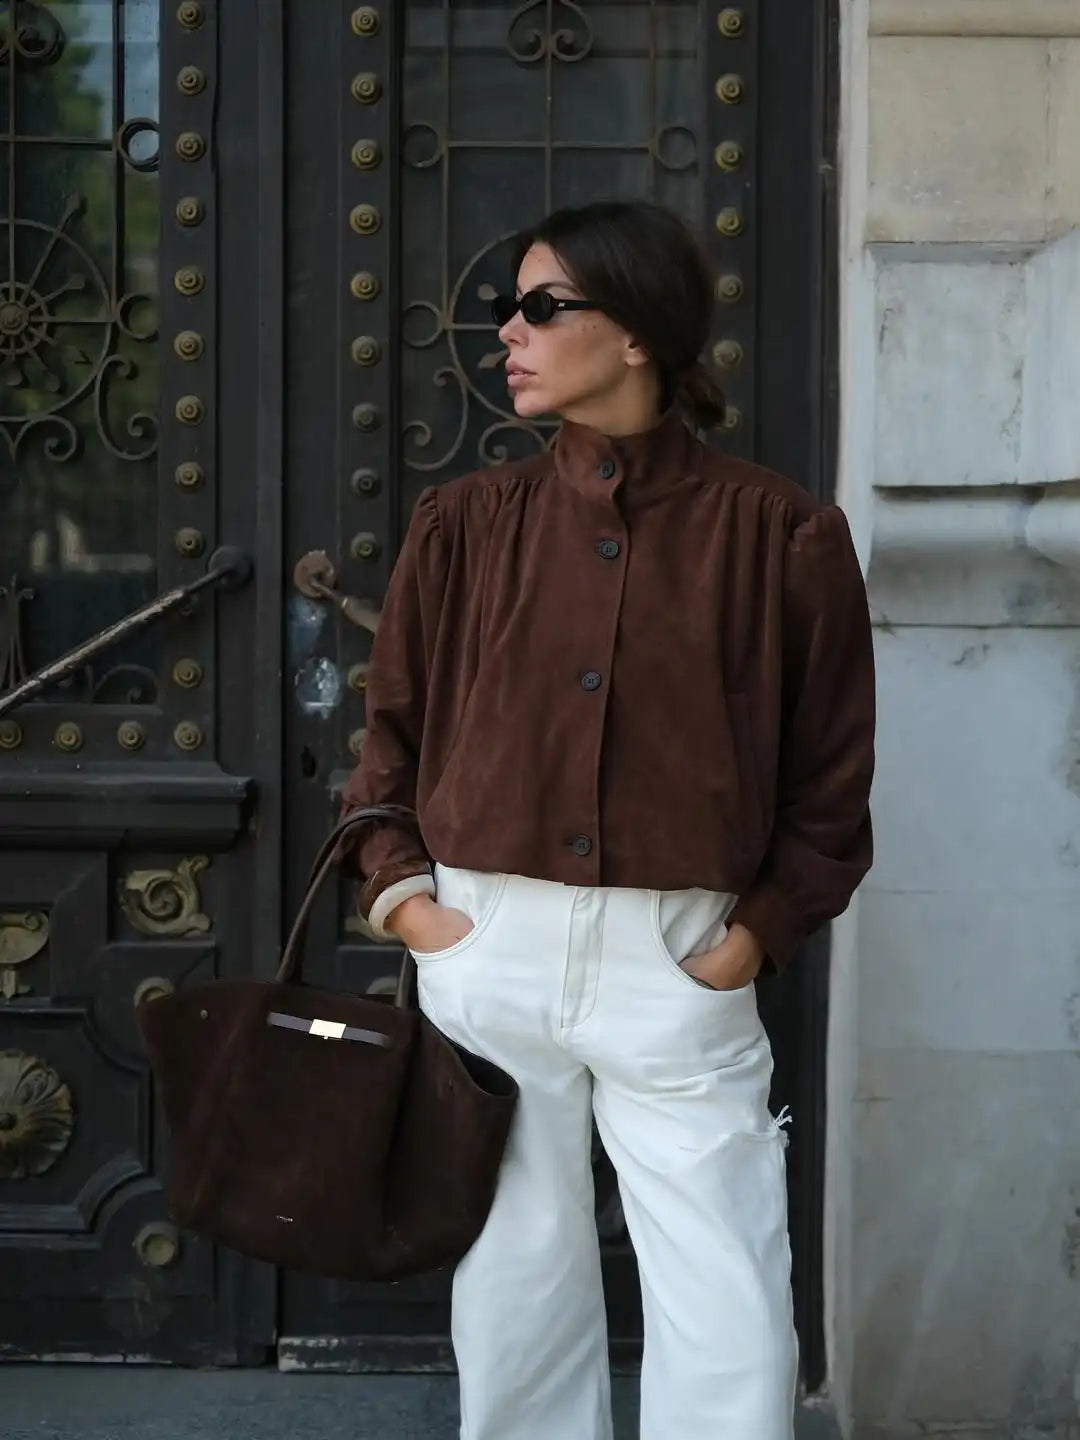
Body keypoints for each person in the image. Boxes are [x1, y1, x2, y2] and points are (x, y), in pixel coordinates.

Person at [340, 199, 875, 1440]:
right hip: (488, 943)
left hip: (678, 955)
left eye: (542, 307)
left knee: (725, 1277)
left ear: (635, 332)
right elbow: (389, 744)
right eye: (508, 310)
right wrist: (411, 905)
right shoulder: (464, 527)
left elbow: (832, 779)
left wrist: (754, 936)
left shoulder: (782, 534)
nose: (508, 334)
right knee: (514, 1277)